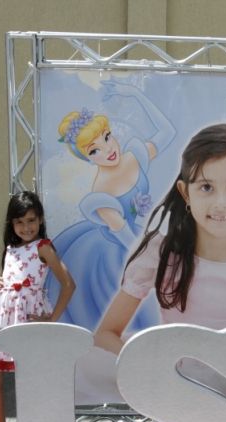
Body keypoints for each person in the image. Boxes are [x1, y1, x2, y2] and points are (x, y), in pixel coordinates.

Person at [95, 123, 226, 391]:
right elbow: (105, 335)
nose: (220, 203)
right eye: (206, 187)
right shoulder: (160, 254)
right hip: (167, 374)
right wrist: (144, 366)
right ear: (185, 192)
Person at [45, 81, 176, 332]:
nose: (108, 150)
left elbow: (167, 132)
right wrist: (156, 264)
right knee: (132, 312)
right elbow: (129, 242)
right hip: (115, 253)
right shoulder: (101, 195)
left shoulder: (133, 156)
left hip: (136, 239)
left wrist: (136, 95)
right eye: (95, 151)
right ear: (87, 158)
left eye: (107, 138)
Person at [0, 191, 75, 422]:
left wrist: (51, 319)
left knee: (34, 381)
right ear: (11, 224)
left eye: (31, 220)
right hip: (2, 319)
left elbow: (68, 284)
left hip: (29, 319)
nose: (26, 227)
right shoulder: (9, 250)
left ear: (40, 220)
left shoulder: (43, 247)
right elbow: (9, 280)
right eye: (19, 222)